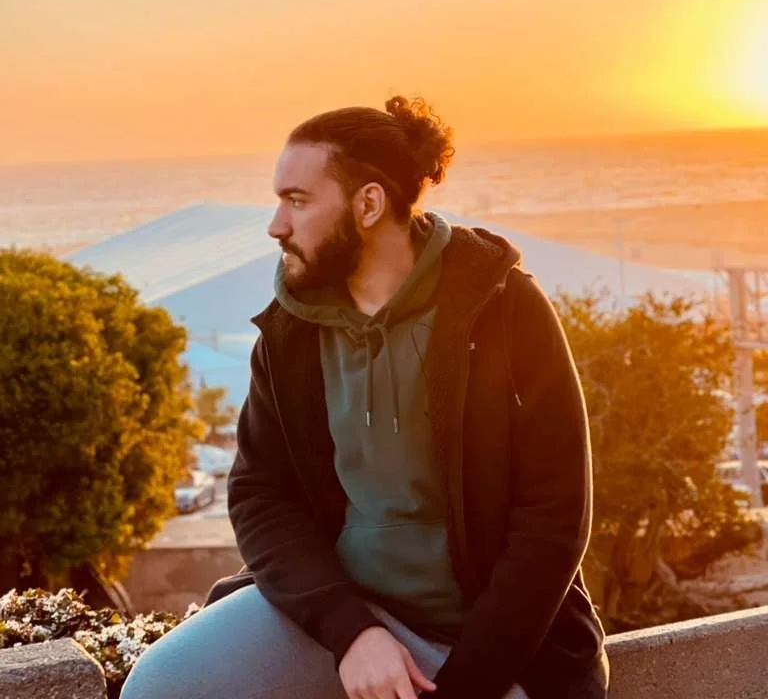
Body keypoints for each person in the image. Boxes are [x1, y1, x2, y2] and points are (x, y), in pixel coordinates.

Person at [123, 96, 608, 699]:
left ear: (369, 204)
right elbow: (258, 495)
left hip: (496, 647)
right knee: (163, 684)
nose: (276, 224)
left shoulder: (504, 308)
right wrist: (352, 632)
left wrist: (466, 685)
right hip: (349, 621)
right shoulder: (289, 331)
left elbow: (555, 519)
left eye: (297, 201)